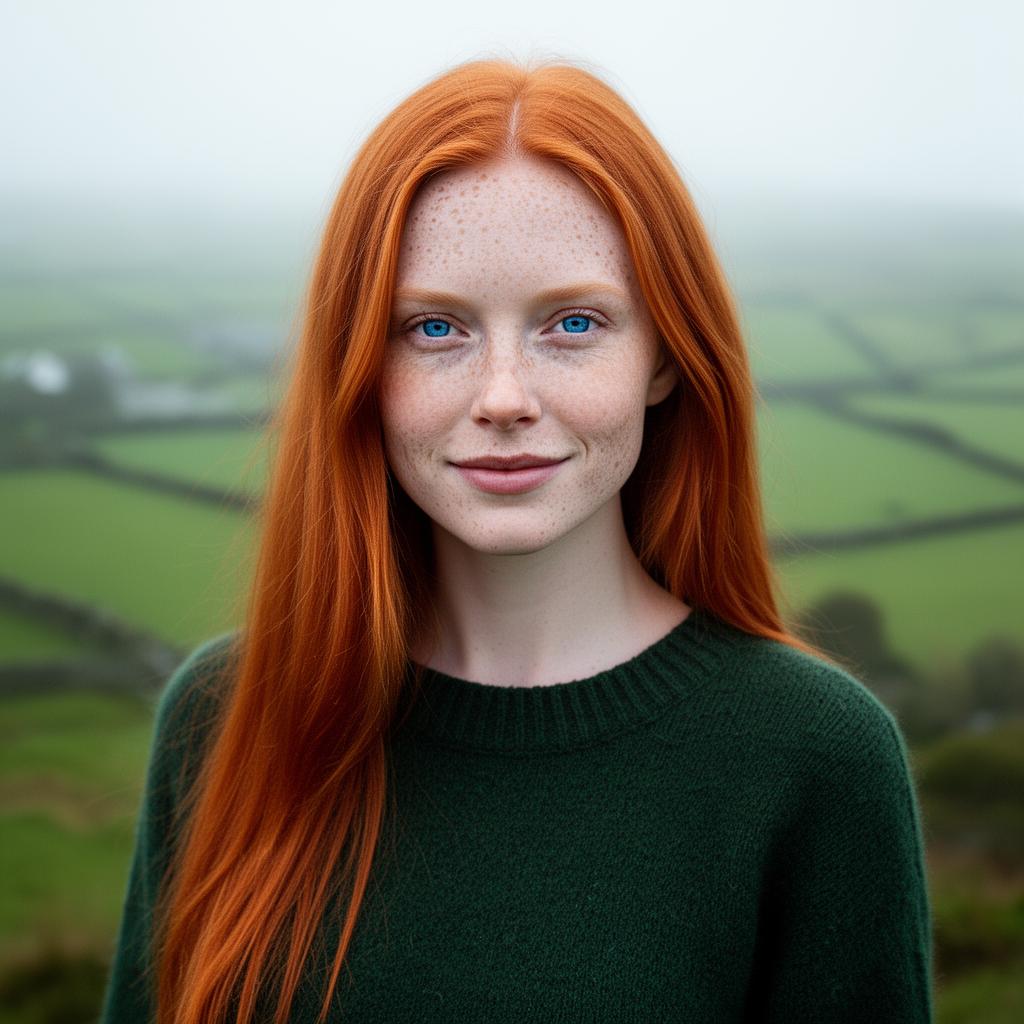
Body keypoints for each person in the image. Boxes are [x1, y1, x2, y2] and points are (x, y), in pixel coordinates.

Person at [99, 56, 935, 1023]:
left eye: (573, 323)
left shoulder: (814, 759)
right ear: (359, 364)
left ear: (665, 356)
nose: (503, 397)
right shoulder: (223, 716)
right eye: (434, 330)